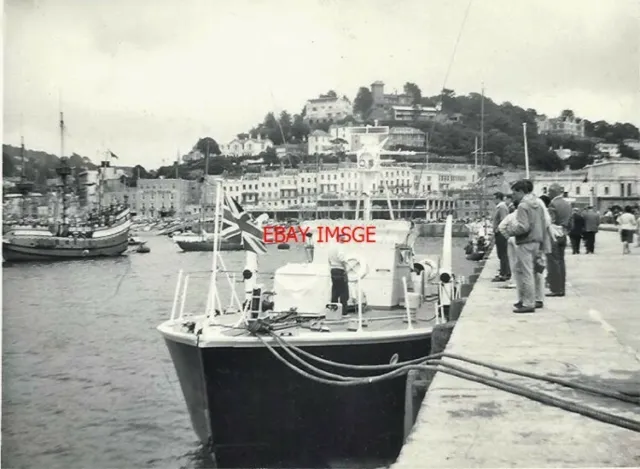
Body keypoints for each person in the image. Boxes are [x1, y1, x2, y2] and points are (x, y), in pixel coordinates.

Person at [501, 179, 545, 313]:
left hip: (525, 242)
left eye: (514, 193)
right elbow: (543, 223)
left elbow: (523, 227)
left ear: (521, 191)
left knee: (525, 273)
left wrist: (511, 229)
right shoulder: (538, 204)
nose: (513, 196)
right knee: (534, 272)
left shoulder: (523, 206)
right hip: (537, 241)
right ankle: (535, 299)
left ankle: (528, 303)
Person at [546, 183, 572, 297]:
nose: (548, 194)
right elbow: (571, 222)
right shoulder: (567, 204)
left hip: (554, 234)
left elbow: (551, 220)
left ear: (553, 192)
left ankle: (556, 288)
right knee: (561, 262)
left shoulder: (553, 204)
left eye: (549, 191)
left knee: (553, 262)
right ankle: (562, 287)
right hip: (563, 234)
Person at [328, 235, 350, 314]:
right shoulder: (341, 247)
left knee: (335, 291)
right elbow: (341, 258)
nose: (344, 239)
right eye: (343, 238)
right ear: (340, 238)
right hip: (340, 270)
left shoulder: (332, 247)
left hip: (333, 270)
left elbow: (329, 260)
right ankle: (343, 312)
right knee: (343, 292)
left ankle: (333, 312)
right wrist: (346, 269)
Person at [492, 192, 511, 282]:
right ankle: (504, 271)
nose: (493, 200)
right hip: (499, 232)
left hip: (501, 233)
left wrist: (498, 229)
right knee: (501, 253)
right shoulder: (500, 207)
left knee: (503, 253)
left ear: (498, 198)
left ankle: (504, 273)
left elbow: (504, 220)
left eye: (494, 198)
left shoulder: (501, 207)